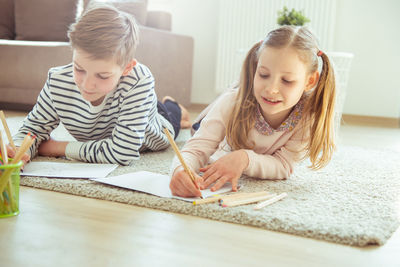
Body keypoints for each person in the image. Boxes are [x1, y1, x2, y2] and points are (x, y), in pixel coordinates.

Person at [9, 4, 190, 166]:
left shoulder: (139, 80)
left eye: (102, 76)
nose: (87, 85)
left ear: (127, 68)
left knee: (171, 120)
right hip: (121, 112)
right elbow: (32, 131)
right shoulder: (57, 80)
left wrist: (57, 147)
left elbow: (123, 153)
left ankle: (174, 106)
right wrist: (18, 150)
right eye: (79, 69)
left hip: (154, 124)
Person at [170, 25, 336, 197]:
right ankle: (175, 107)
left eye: (287, 80)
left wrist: (245, 159)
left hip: (232, 129)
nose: (271, 89)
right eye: (263, 75)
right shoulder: (232, 102)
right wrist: (180, 170)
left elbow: (283, 166)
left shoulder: (308, 118)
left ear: (310, 81)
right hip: (211, 122)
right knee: (189, 125)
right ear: (256, 68)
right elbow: (197, 148)